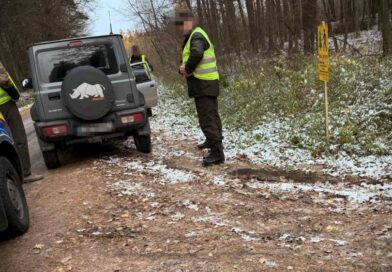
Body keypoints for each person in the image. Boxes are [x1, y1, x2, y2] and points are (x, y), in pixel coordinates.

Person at [175, 10, 225, 167]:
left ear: (188, 22)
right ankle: (213, 142)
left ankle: (217, 153)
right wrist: (182, 68)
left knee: (207, 118)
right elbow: (189, 56)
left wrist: (187, 69)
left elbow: (196, 54)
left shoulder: (196, 35)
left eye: (181, 25)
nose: (180, 29)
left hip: (204, 84)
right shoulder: (194, 36)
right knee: (212, 116)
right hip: (206, 84)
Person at [0, 66, 43, 183]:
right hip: (5, 105)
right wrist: (15, 94)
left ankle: (7, 177)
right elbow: (4, 79)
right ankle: (25, 173)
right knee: (19, 139)